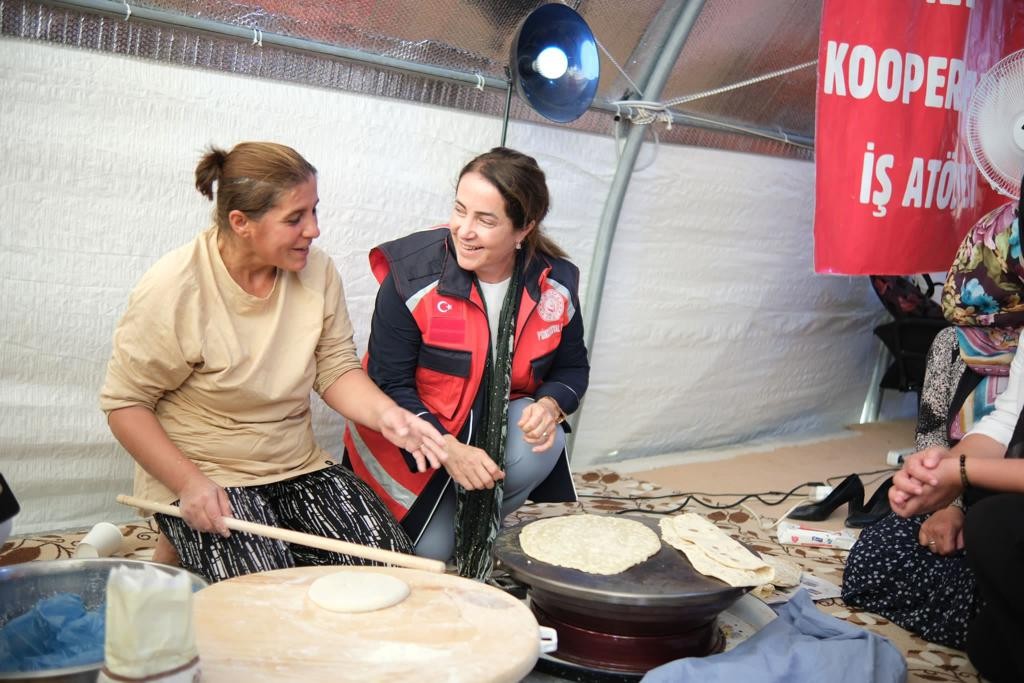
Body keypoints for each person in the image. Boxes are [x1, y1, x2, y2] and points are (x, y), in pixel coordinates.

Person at [100, 142, 447, 584]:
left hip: (295, 462)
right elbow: (125, 405)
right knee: (263, 596)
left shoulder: (317, 272)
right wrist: (189, 485)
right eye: (295, 218)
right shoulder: (173, 287)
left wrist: (388, 416)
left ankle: (182, 553)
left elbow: (335, 367)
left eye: (315, 211)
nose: (315, 230)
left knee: (391, 573)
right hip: (207, 471)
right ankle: (179, 544)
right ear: (240, 223)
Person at [344, 147, 588, 579]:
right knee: (427, 558)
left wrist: (549, 406)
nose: (465, 230)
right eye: (460, 211)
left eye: (486, 220)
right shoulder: (411, 275)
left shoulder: (556, 284)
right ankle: (444, 516)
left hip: (481, 437)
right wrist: (449, 449)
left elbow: (572, 368)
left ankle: (472, 518)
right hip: (410, 436)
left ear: (524, 229)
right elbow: (388, 383)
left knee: (541, 444)